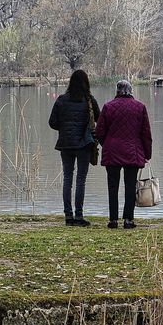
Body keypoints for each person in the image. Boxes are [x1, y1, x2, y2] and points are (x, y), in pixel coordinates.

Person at [94, 79, 152, 230]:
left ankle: (113, 220)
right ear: (131, 90)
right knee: (130, 186)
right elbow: (146, 133)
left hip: (112, 151)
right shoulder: (140, 107)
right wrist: (147, 153)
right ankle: (128, 220)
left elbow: (99, 131)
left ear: (117, 90)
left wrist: (106, 144)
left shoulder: (108, 107)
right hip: (132, 151)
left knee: (112, 186)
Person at [48, 69, 101, 226]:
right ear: (86, 83)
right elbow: (99, 119)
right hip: (84, 144)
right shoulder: (89, 101)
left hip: (65, 144)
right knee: (80, 180)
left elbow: (52, 122)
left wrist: (64, 128)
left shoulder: (61, 100)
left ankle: (68, 216)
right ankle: (79, 216)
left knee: (67, 178)